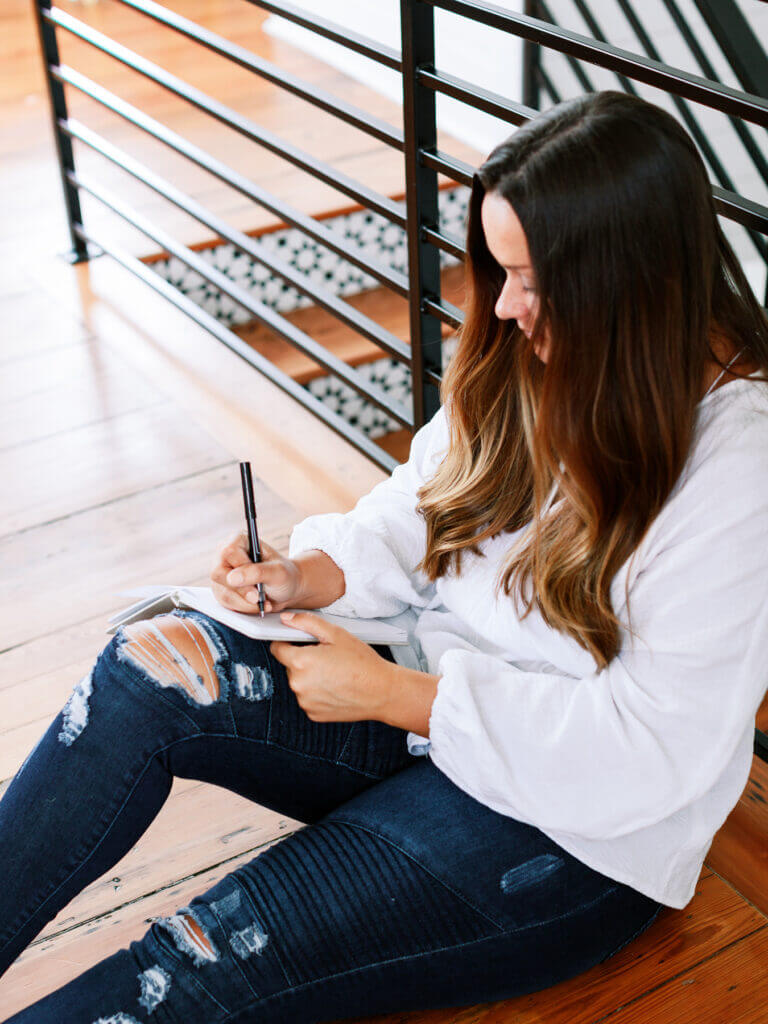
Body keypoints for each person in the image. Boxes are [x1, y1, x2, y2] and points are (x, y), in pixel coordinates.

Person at [1, 89, 767, 1022]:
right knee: (146, 669)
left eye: (536, 277)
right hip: (423, 711)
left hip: (576, 837)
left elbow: (649, 753)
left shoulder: (739, 470)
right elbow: (423, 507)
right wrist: (307, 574)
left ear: (635, 277)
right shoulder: (531, 351)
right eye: (500, 268)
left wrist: (393, 696)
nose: (510, 305)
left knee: (197, 956)